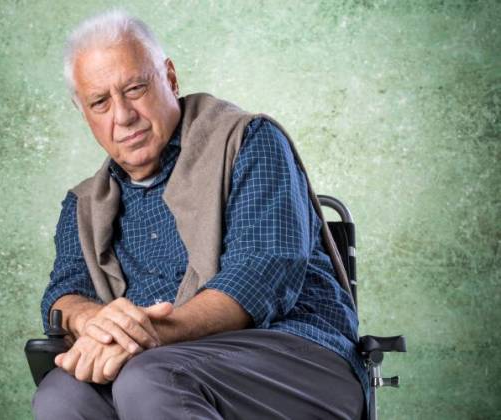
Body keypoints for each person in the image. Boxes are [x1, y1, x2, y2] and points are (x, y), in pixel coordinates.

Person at [32, 9, 367, 420]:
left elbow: (260, 275)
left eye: (135, 88)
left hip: (299, 358)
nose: (122, 115)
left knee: (150, 377)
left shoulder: (249, 142)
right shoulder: (83, 204)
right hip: (157, 365)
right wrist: (94, 321)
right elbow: (63, 294)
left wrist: (145, 334)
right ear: (83, 112)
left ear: (170, 78)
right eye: (100, 102)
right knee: (60, 394)